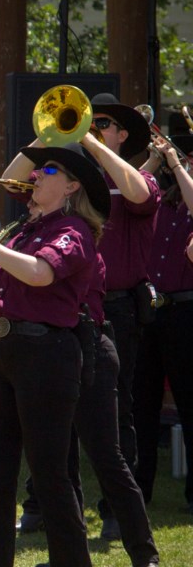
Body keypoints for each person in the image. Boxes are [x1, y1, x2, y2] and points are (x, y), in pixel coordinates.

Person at [4, 93, 159, 539]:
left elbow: (138, 192)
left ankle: (116, 513)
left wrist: (90, 143)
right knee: (50, 415)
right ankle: (46, 505)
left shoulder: (125, 175)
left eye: (103, 122)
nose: (92, 127)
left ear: (121, 134)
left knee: (113, 415)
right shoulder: (60, 179)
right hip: (53, 307)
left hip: (112, 310)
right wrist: (48, 136)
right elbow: (7, 182)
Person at [0, 142, 109, 567]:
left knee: (50, 476)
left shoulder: (74, 231)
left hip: (48, 356)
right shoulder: (26, 227)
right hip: (8, 350)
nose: (37, 175)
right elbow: (16, 305)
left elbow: (40, 275)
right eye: (40, 169)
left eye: (51, 170)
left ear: (73, 185)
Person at [133, 133, 193, 514]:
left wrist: (175, 164)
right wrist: (157, 160)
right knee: (140, 405)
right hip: (148, 309)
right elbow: (123, 196)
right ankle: (138, 491)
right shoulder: (165, 202)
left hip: (187, 312)